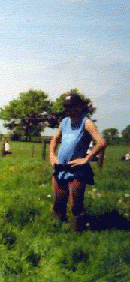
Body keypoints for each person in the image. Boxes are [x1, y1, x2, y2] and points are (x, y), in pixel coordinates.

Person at [49, 93, 106, 232]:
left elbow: (101, 142)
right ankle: (58, 229)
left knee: (76, 205)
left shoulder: (86, 123)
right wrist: (51, 154)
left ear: (80, 106)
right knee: (58, 202)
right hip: (60, 168)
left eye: (73, 106)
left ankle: (79, 233)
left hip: (77, 170)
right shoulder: (64, 122)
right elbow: (54, 139)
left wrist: (87, 158)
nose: (70, 109)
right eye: (67, 107)